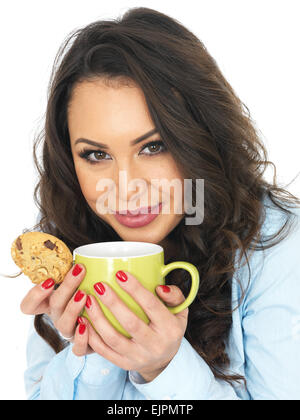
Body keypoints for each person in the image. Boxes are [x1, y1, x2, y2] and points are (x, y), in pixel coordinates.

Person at [20, 7, 300, 400]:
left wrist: (163, 368)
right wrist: (94, 350)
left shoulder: (278, 246)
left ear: (201, 138)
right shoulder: (71, 240)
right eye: (96, 155)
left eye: (154, 146)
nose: (127, 187)